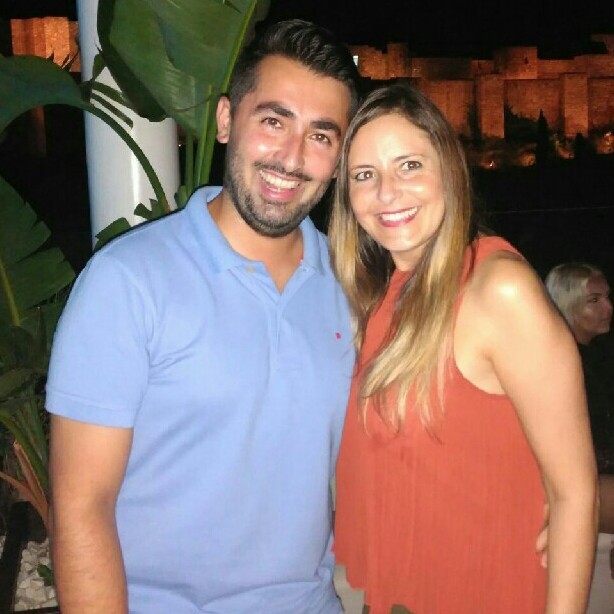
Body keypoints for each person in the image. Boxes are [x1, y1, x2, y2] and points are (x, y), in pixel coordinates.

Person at [46, 19, 362, 614]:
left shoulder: (351, 289)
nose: (292, 158)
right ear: (225, 120)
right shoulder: (127, 283)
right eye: (273, 122)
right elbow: (83, 506)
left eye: (320, 136)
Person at [328, 83, 598, 614]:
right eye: (364, 175)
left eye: (409, 166)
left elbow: (575, 494)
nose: (386, 192)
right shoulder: (377, 301)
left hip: (491, 591)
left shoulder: (497, 289)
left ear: (449, 172)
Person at [545, 262, 614, 613]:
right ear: (568, 305)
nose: (609, 308)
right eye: (594, 301)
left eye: (608, 297)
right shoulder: (558, 362)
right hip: (577, 489)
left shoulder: (596, 358)